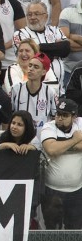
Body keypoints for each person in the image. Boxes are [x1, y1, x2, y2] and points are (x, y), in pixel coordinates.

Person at [39, 98, 82, 228]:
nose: (60, 118)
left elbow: (55, 148)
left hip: (76, 191)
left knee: (75, 230)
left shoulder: (80, 124)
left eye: (65, 115)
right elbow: (51, 149)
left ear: (74, 116)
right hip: (52, 191)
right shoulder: (48, 126)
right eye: (58, 114)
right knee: (51, 229)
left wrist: (61, 147)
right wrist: (74, 140)